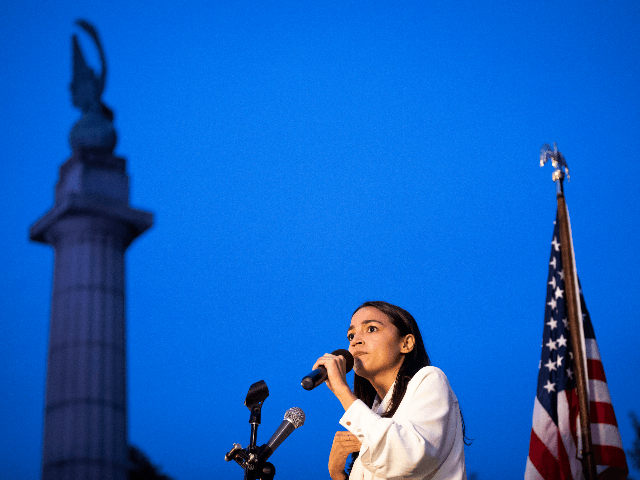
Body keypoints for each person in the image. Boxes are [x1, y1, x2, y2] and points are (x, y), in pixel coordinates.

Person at [312, 301, 467, 480]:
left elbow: (408, 459)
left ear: (406, 343)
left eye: (371, 329)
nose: (356, 341)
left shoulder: (430, 378)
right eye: (351, 335)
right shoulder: (373, 415)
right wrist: (338, 475)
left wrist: (341, 389)